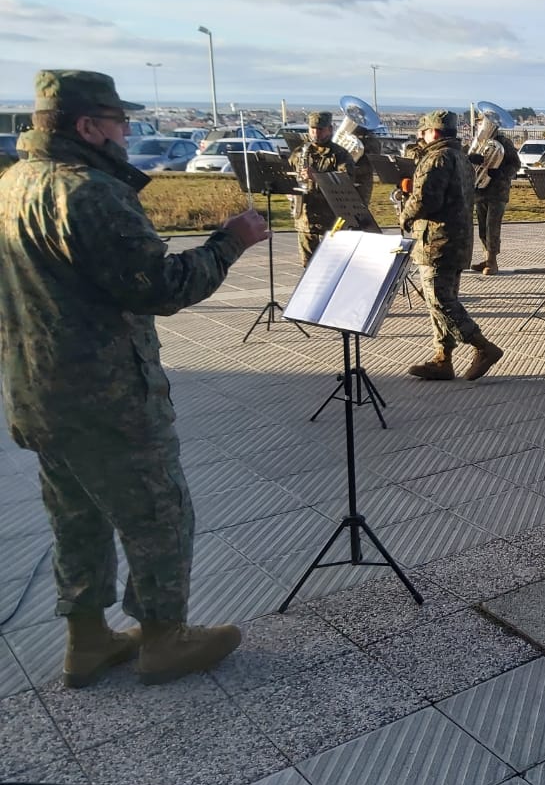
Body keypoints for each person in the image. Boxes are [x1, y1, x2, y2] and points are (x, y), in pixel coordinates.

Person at [0, 70, 270, 687]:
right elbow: (160, 287)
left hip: (37, 390)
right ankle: (164, 638)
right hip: (106, 396)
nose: (125, 133)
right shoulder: (90, 192)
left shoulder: (13, 182)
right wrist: (230, 242)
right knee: (158, 512)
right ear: (87, 126)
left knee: (76, 515)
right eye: (118, 122)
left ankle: (87, 640)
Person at [399, 110, 503, 382]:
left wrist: (405, 214)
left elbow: (426, 201)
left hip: (437, 241)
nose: (420, 136)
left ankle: (483, 346)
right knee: (443, 299)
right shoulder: (460, 157)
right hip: (455, 240)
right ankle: (442, 359)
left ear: (434, 132)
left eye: (423, 131)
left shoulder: (437, 158)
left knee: (439, 300)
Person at [288, 110, 357, 266]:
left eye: (320, 129)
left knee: (332, 265)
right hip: (305, 219)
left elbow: (346, 183)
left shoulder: (340, 154)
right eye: (312, 129)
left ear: (330, 129)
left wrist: (317, 177)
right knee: (308, 266)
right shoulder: (300, 152)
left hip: (330, 220)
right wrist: (290, 191)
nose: (315, 133)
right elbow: (289, 175)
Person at [470, 123, 521, 276]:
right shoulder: (479, 143)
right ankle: (486, 258)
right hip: (480, 190)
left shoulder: (504, 142)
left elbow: (516, 164)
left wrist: (501, 172)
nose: (482, 128)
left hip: (498, 192)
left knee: (492, 227)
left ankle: (492, 261)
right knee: (482, 229)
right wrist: (471, 159)